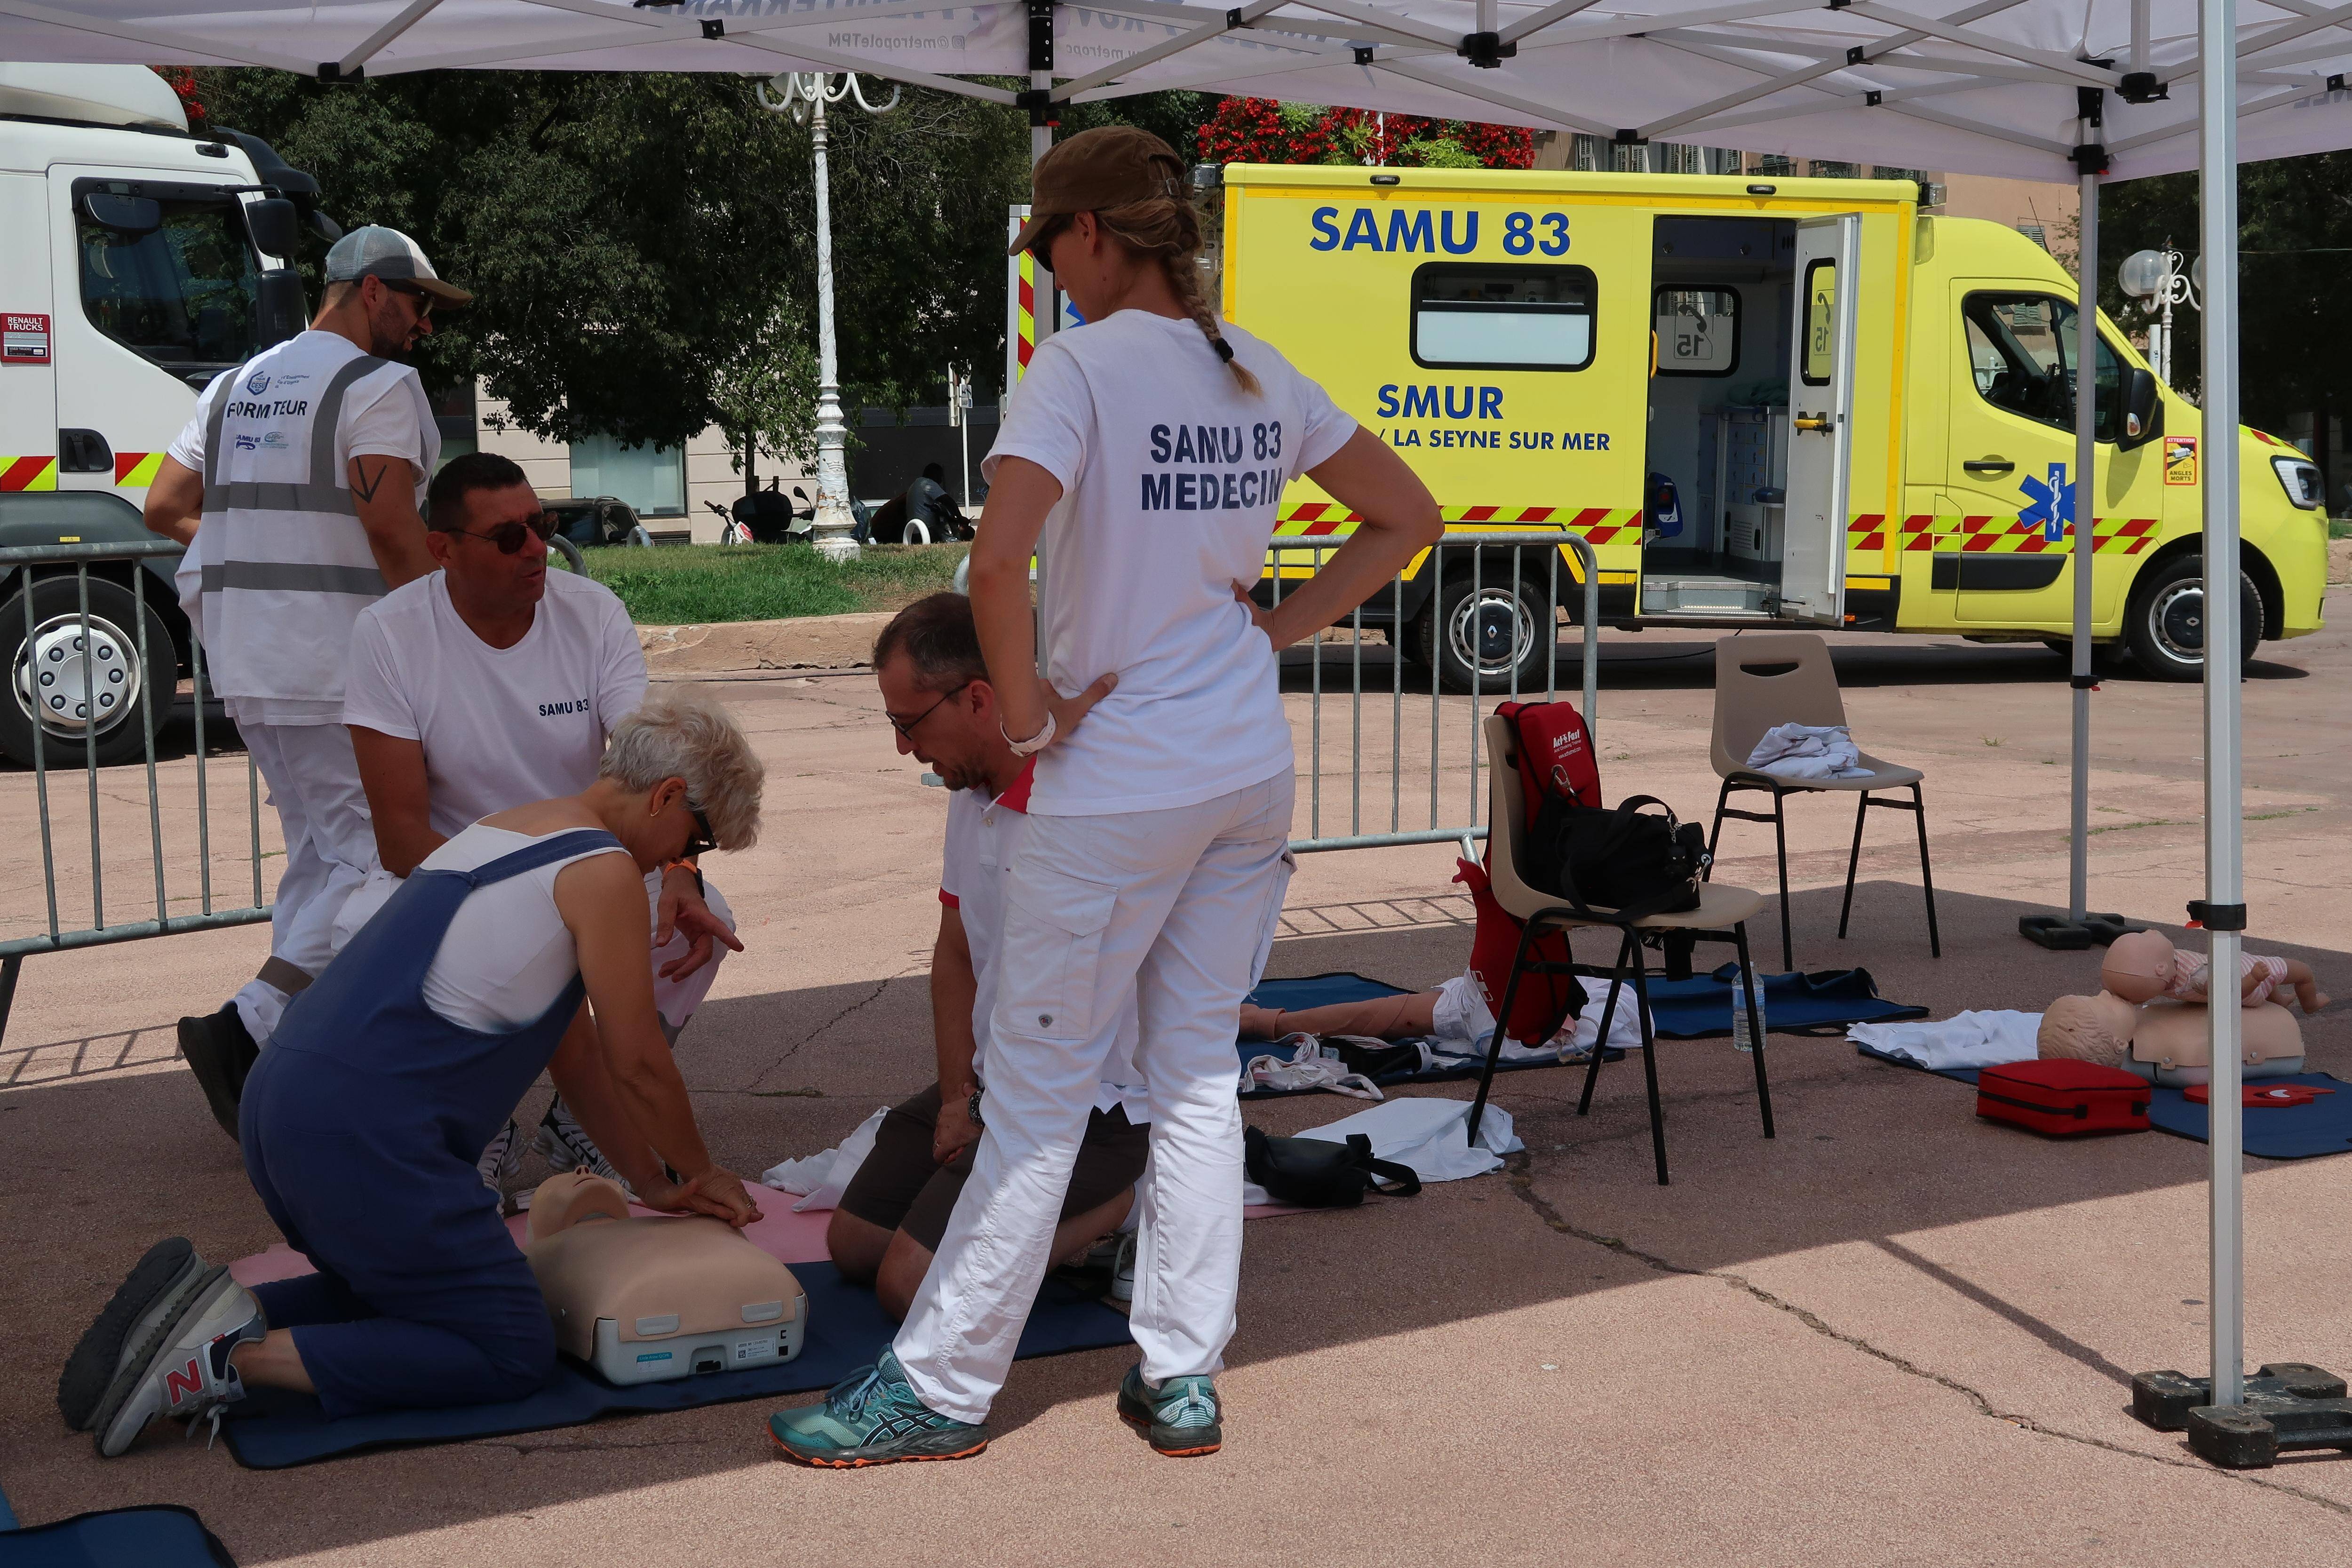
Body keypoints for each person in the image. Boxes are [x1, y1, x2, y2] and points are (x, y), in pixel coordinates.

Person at [767, 125, 1440, 1468]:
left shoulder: (1076, 370)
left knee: (1037, 1093)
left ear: (1088, 235)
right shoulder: (1248, 364)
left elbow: (998, 558)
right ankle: (1181, 1369)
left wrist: (1023, 717)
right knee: (1190, 1074)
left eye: (1050, 247)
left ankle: (943, 1386)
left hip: (1117, 784)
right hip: (1243, 771)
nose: (1052, 276)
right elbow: (1408, 514)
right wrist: (1280, 629)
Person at [70, 691, 767, 1458]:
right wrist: (702, 1172)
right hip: (363, 1139)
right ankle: (221, 1360)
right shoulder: (601, 871)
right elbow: (638, 1060)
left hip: (284, 1105)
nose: (682, 861)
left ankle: (207, 1311)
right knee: (510, 1346)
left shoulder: (508, 828)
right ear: (667, 795)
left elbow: (579, 1060)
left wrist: (654, 1180)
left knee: (400, 1295)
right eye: (694, 840)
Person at [339, 452, 743, 1190]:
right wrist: (536, 900)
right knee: (363, 928)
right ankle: (479, 1129)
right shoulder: (389, 633)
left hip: (587, 871)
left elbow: (658, 763)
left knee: (703, 918)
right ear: (443, 549)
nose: (536, 550)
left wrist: (682, 868)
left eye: (543, 525)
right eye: (508, 537)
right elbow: (399, 837)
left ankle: (580, 1128)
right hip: (453, 870)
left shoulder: (592, 614)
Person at [143, 226, 468, 1139]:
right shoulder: (377, 387)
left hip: (248, 660)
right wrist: (450, 652)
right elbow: (395, 533)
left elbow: (165, 507)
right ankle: (252, 1033)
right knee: (389, 863)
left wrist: (260, 550)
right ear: (371, 290)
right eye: (419, 304)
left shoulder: (233, 386)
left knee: (325, 858)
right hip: (338, 666)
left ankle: (270, 1062)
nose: (425, 328)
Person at [827, 593, 1150, 1321]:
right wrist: (955, 1098)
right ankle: (1048, 1224)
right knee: (854, 1243)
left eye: (910, 726)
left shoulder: (1080, 802)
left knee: (910, 1287)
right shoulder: (970, 792)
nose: (904, 749)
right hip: (1000, 1082)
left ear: (978, 698)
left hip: (1092, 1101)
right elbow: (956, 952)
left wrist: (983, 1108)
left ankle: (1127, 1202)